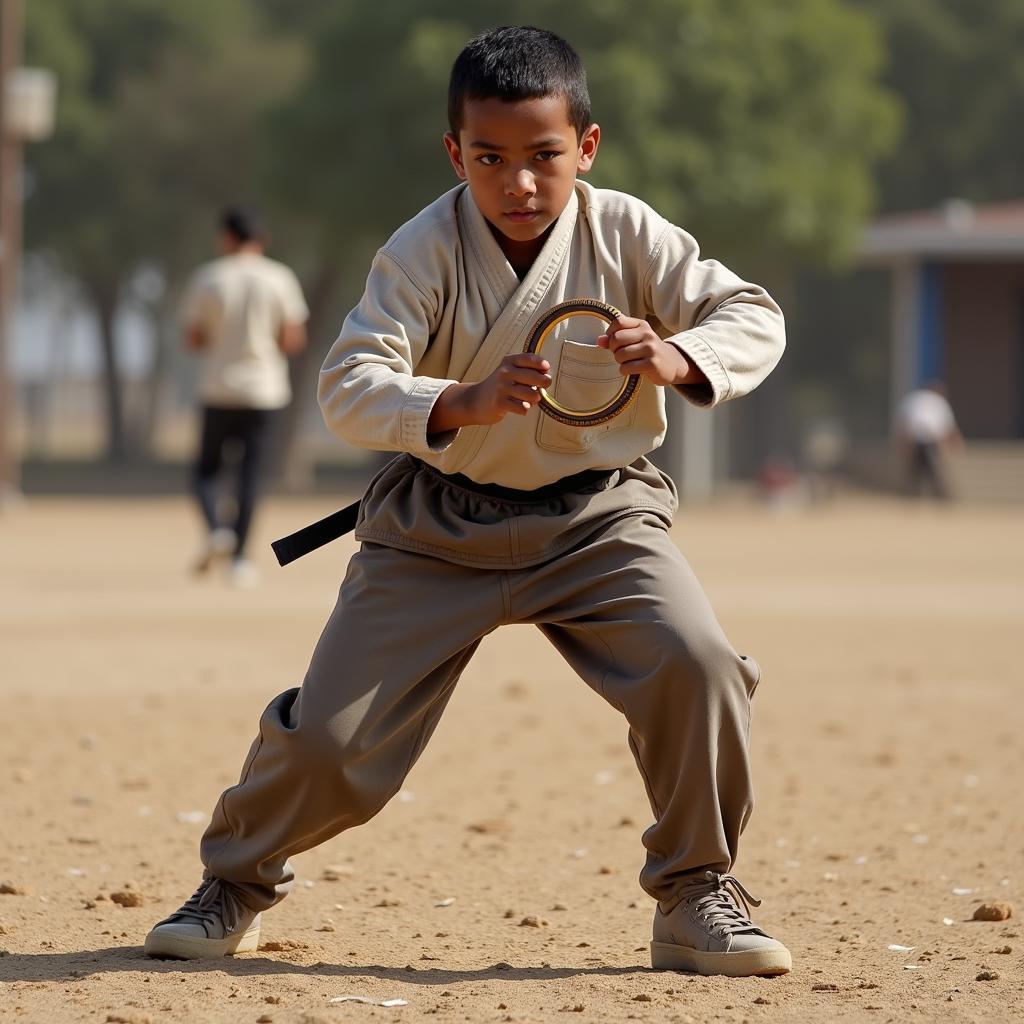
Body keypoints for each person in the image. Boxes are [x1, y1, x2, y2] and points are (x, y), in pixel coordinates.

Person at [145, 27, 790, 977]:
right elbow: (348, 382)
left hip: (599, 520)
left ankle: (697, 893)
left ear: (588, 147)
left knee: (698, 668)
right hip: (435, 527)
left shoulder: (630, 233)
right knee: (328, 739)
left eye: (544, 157)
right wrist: (458, 400)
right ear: (457, 153)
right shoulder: (420, 249)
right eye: (490, 159)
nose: (519, 183)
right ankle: (234, 881)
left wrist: (680, 354)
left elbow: (754, 314)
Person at [182, 206, 309, 586]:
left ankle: (216, 529)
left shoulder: (209, 278)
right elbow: (292, 338)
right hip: (265, 391)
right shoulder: (279, 278)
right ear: (262, 240)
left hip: (219, 387)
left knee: (206, 470)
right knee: (250, 475)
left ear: (226, 238)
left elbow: (193, 338)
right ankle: (239, 559)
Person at [895, 380, 962, 500]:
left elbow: (902, 422)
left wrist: (902, 443)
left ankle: (910, 495)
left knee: (914, 471)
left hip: (914, 439)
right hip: (930, 440)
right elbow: (946, 426)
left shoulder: (912, 398)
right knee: (934, 471)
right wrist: (953, 444)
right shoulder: (939, 401)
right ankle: (941, 497)